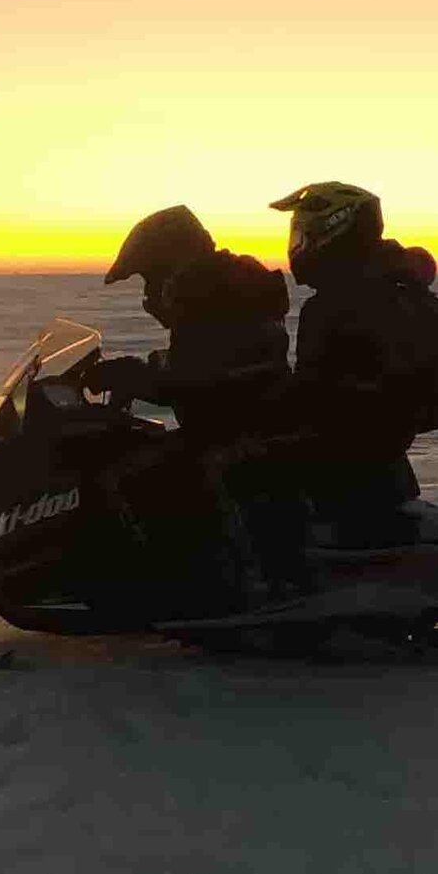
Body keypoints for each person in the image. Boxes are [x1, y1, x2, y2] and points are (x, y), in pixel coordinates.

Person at [85, 205, 297, 602]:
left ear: (170, 261)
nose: (148, 293)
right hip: (244, 422)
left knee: (132, 474)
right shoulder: (225, 288)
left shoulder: (210, 292)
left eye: (149, 277)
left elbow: (196, 376)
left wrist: (135, 377)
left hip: (239, 432)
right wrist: (137, 369)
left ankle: (209, 589)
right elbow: (202, 360)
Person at [266, 181, 438, 545]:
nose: (297, 244)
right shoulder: (405, 296)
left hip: (336, 477)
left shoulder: (336, 306)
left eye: (302, 232)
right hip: (383, 469)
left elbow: (312, 397)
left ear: (331, 231)